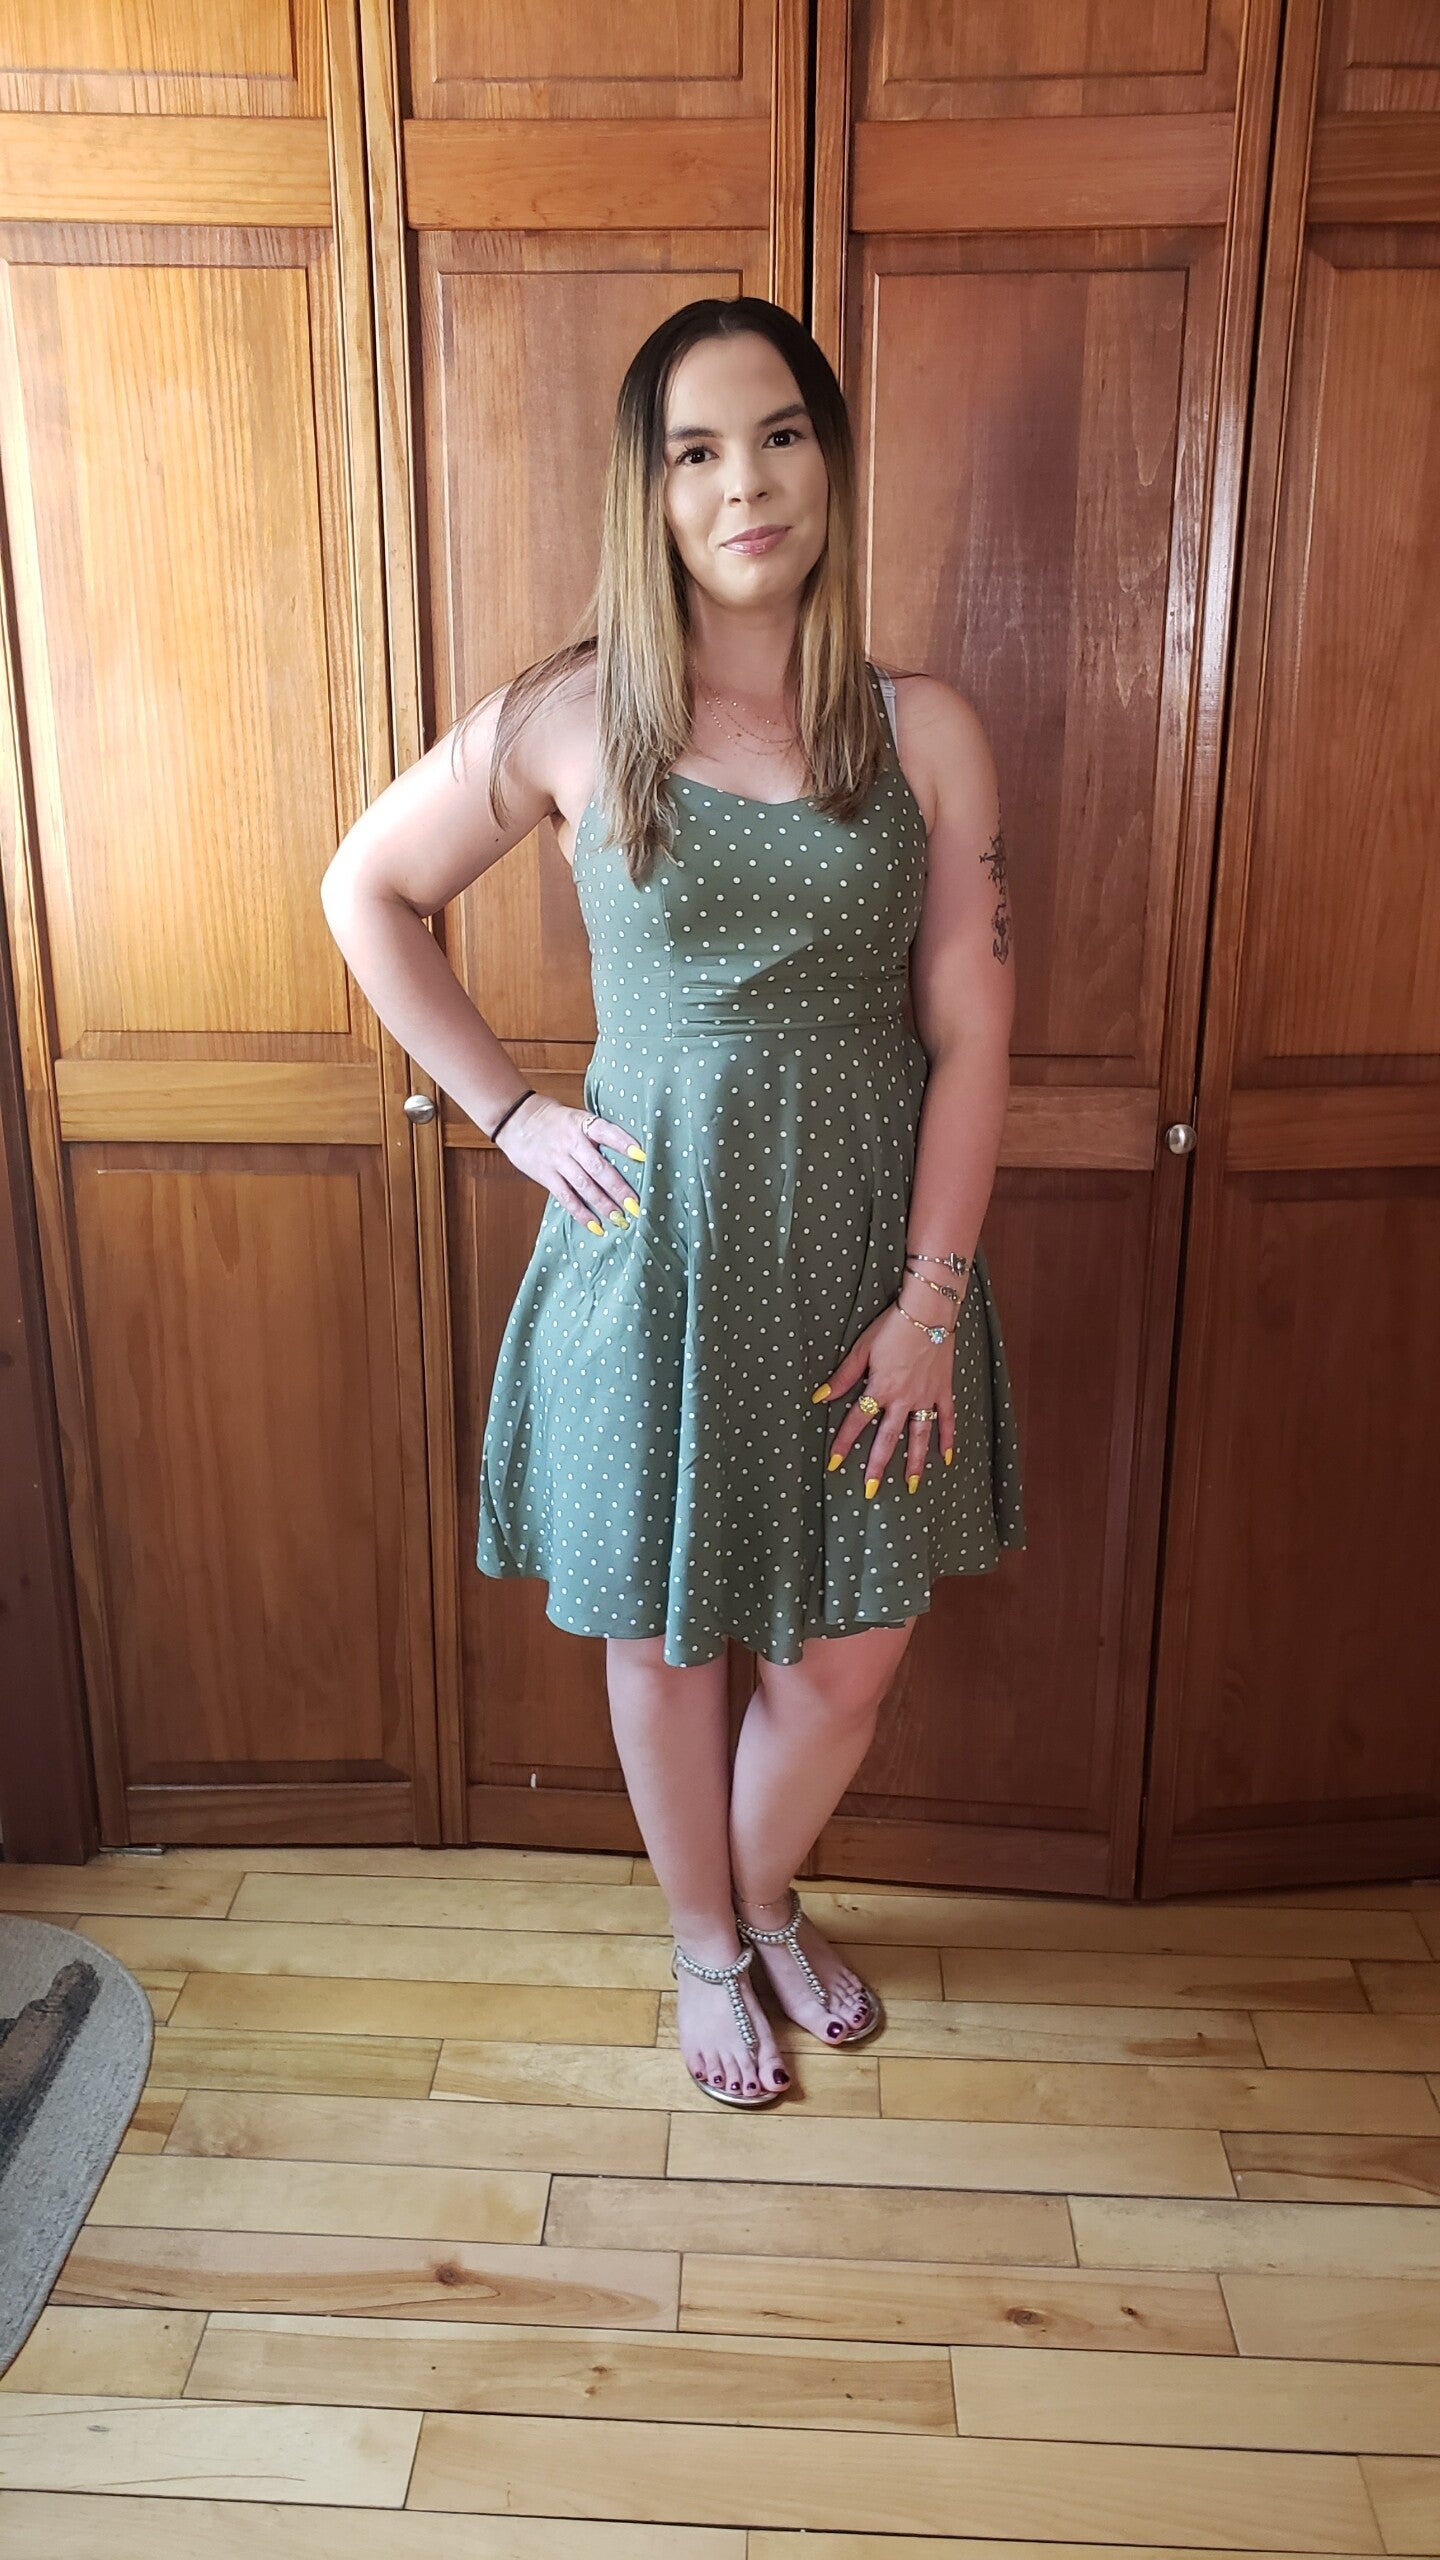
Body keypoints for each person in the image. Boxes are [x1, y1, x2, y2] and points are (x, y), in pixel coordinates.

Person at [321, 295, 1026, 2113]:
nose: (744, 484)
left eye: (778, 435)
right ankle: (709, 1940)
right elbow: (365, 891)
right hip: (655, 1259)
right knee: (663, 1636)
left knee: (847, 1663)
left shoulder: (923, 728)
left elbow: (972, 1029)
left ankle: (764, 1892)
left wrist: (932, 1303)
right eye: (695, 451)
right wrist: (506, 1113)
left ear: (829, 461)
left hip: (872, 1261)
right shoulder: (574, 716)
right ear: (649, 490)